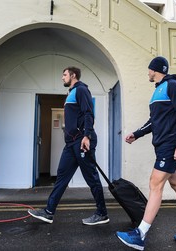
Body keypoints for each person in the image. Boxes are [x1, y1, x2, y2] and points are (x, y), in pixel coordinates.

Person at [116, 57, 176, 250]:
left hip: (170, 145)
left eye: (149, 70)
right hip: (163, 145)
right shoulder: (158, 90)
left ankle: (140, 234)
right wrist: (137, 134)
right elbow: (154, 121)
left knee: (155, 183)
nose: (147, 73)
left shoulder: (173, 86)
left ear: (154, 70)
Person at [28, 66, 109, 225]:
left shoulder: (81, 90)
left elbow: (88, 113)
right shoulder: (71, 93)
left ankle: (102, 213)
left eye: (64, 74)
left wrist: (87, 136)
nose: (62, 77)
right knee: (62, 176)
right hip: (71, 142)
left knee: (91, 178)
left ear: (73, 75)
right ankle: (49, 212)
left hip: (82, 141)